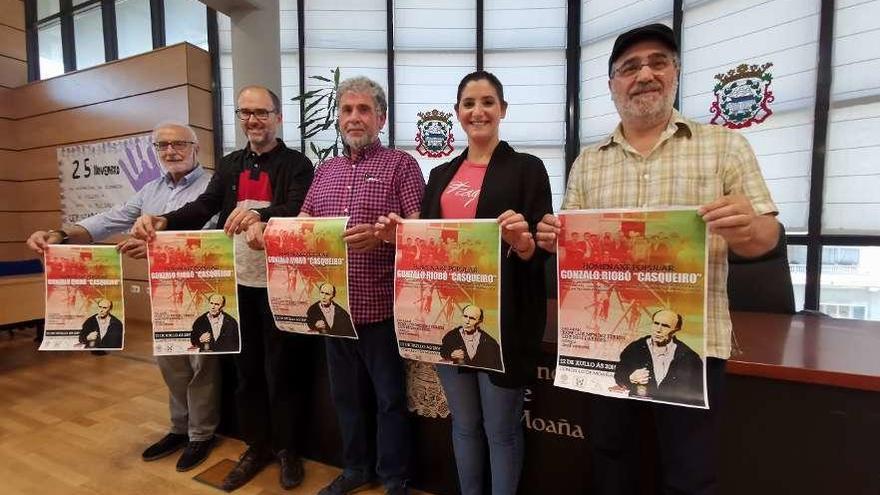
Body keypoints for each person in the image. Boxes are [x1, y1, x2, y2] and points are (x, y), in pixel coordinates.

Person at [536, 23, 780, 495]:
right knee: (611, 459)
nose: (644, 74)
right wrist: (553, 236)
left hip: (694, 344)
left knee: (691, 473)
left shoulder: (725, 145)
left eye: (657, 62)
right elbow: (576, 247)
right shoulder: (590, 161)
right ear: (612, 86)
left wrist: (750, 227)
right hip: (605, 344)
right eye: (629, 67)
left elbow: (765, 236)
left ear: (675, 72)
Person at [131, 86, 315, 491]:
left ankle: (288, 449)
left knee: (282, 371)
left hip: (281, 284)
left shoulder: (297, 164)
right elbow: (203, 207)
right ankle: (256, 446)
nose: (253, 120)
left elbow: (299, 209)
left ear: (277, 117)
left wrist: (258, 212)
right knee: (246, 372)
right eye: (245, 113)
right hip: (236, 284)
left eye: (261, 113)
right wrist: (163, 221)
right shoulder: (230, 165)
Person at [377, 70, 552, 495]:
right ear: (458, 113)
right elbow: (429, 247)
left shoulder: (527, 169)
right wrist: (400, 235)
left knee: (501, 430)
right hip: (446, 320)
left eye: (488, 102)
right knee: (465, 426)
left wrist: (523, 241)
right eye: (469, 103)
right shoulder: (440, 175)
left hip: (505, 322)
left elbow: (540, 250)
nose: (479, 111)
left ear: (503, 110)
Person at [26, 121, 222, 473]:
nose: (170, 151)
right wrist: (61, 234)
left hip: (205, 289)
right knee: (170, 363)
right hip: (163, 290)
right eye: (162, 146)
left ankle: (201, 434)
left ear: (197, 149)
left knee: (202, 365)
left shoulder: (214, 186)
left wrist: (155, 245)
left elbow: (215, 235)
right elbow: (111, 218)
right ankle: (179, 428)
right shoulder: (150, 190)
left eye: (178, 143)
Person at [296, 76, 425, 495]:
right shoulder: (325, 170)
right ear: (338, 117)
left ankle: (394, 477)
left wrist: (388, 234)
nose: (354, 117)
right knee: (346, 399)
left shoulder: (401, 165)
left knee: (389, 400)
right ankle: (355, 469)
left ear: (381, 118)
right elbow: (304, 226)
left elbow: (423, 232)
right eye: (347, 109)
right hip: (334, 312)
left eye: (364, 109)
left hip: (381, 311)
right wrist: (271, 233)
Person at [614, 309, 703, 405]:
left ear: (676, 330)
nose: (658, 330)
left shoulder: (689, 356)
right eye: (656, 323)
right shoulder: (635, 348)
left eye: (665, 326)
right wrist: (629, 378)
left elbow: (697, 390)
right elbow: (619, 375)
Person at [439, 305, 502, 371]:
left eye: (472, 318)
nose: (467, 321)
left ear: (479, 321)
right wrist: (451, 354)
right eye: (465, 316)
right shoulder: (451, 335)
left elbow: (497, 364)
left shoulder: (490, 342)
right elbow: (443, 350)